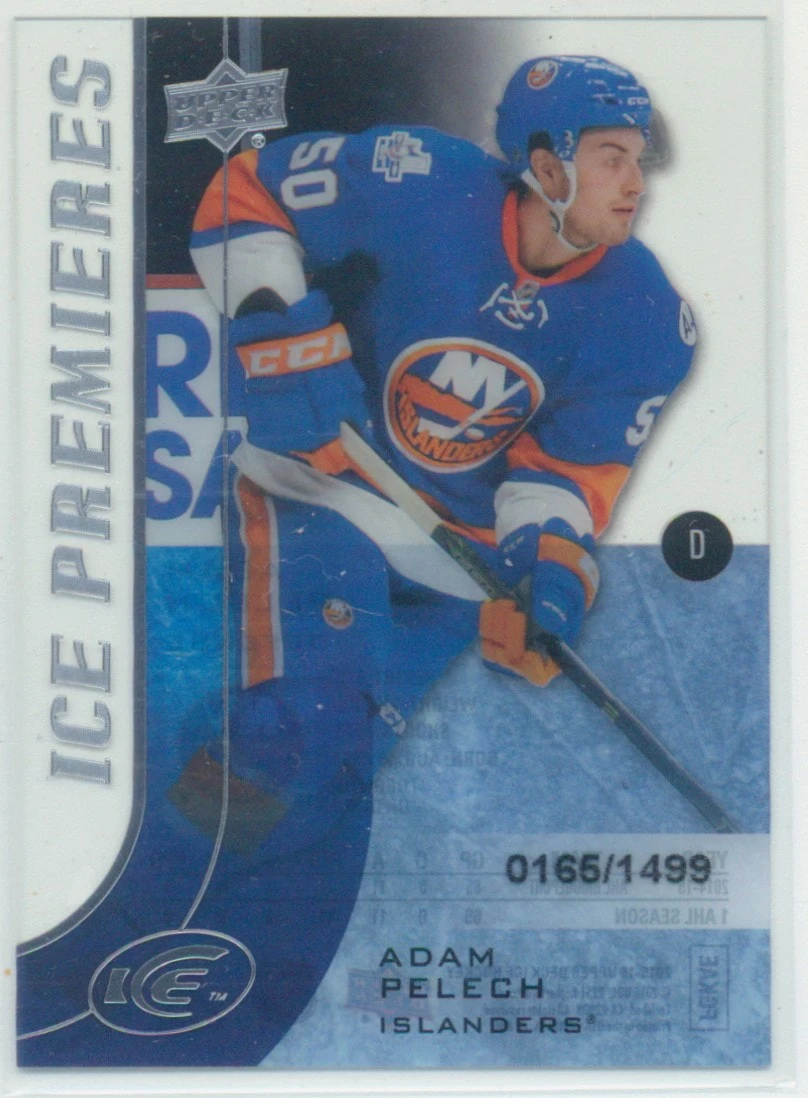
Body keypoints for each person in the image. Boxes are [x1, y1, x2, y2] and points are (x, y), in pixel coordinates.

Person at [170, 55, 696, 856]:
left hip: (454, 565)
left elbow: (565, 477)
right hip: (322, 482)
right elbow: (244, 194)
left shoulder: (647, 316)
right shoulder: (422, 181)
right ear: (548, 163)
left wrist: (548, 577)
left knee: (333, 775)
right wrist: (280, 339)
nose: (636, 184)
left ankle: (244, 871)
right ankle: (170, 872)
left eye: (638, 160)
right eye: (611, 157)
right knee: (295, 727)